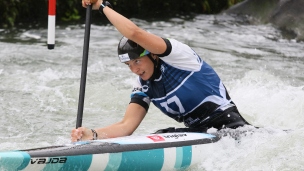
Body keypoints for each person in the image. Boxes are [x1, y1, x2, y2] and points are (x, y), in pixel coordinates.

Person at [71, 0, 251, 142]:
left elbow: (135, 34)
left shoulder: (178, 56)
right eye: (129, 65)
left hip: (232, 129)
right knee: (160, 134)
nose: (134, 69)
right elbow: (126, 126)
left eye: (137, 61)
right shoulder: (143, 86)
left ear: (152, 54)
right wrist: (92, 135)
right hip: (198, 134)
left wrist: (102, 6)